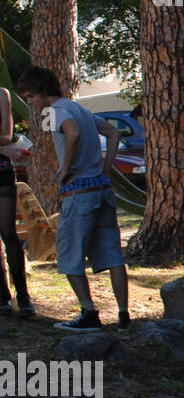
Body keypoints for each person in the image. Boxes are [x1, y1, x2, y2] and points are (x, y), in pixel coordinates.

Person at [14, 67, 130, 332]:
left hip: (78, 192)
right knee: (112, 255)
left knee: (68, 255)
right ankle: (124, 315)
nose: (30, 102)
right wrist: (105, 167)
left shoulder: (55, 112)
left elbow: (73, 132)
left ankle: (88, 313)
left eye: (31, 96)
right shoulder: (79, 108)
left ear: (43, 91)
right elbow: (113, 134)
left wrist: (65, 169)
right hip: (101, 189)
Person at [0, 86, 33, 317]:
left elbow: (5, 134)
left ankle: (23, 295)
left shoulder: (2, 94)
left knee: (9, 233)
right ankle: (3, 296)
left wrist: (5, 146)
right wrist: (4, 148)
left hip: (1, 171)